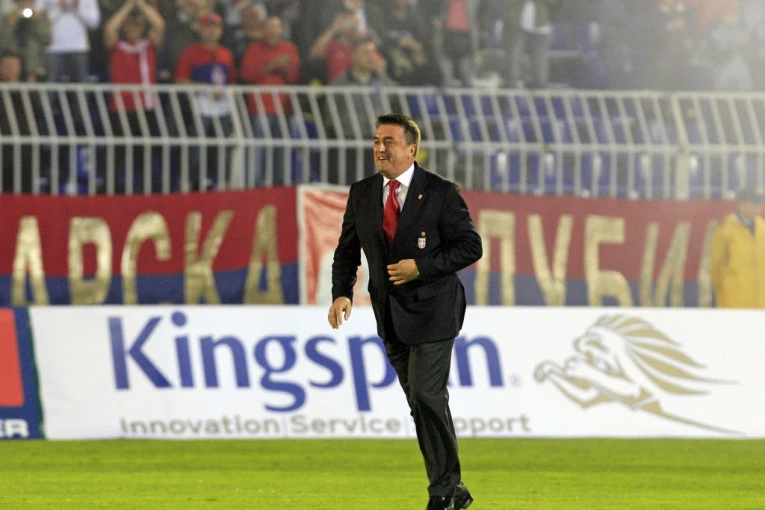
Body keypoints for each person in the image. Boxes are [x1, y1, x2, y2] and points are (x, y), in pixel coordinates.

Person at [328, 113, 481, 510]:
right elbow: (347, 250)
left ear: (412, 150)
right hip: (390, 313)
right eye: (377, 141)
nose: (380, 149)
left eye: (389, 142)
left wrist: (421, 267)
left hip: (435, 310)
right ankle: (455, 489)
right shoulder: (362, 193)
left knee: (427, 395)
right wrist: (342, 293)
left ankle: (442, 492)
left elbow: (471, 246)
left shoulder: (441, 192)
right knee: (421, 403)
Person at [104, 0, 164, 193]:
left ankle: (148, 189)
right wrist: (129, 5)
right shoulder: (118, 46)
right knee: (118, 152)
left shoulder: (148, 45)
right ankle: (113, 189)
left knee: (146, 151)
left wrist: (141, 5)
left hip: (146, 106)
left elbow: (159, 25)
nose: (134, 28)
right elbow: (109, 29)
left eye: (137, 24)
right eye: (130, 24)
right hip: (121, 107)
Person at [175, 11, 236, 190]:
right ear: (201, 30)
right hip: (200, 108)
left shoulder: (226, 54)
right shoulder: (190, 53)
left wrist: (222, 92)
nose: (211, 32)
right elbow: (180, 81)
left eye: (215, 28)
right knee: (198, 148)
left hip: (223, 109)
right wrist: (204, 88)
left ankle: (220, 183)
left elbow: (232, 82)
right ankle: (194, 184)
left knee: (222, 147)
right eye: (208, 28)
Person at [240, 15, 300, 186]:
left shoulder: (289, 48)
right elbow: (246, 74)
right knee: (259, 149)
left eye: (276, 26)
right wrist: (270, 66)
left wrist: (286, 68)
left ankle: (280, 186)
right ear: (263, 30)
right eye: (269, 26)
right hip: (260, 107)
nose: (273, 30)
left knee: (283, 149)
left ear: (281, 30)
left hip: (284, 108)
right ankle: (255, 186)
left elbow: (294, 76)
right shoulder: (253, 49)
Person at [710, 188, 765, 308]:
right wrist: (725, 293)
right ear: (741, 205)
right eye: (753, 204)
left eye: (760, 204)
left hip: (761, 305)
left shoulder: (763, 230)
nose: (758, 208)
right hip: (735, 303)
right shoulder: (725, 231)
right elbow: (716, 268)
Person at [34, 0, 100, 82]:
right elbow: (37, 19)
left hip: (79, 48)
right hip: (52, 48)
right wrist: (59, 8)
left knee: (81, 87)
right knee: (50, 86)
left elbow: (94, 23)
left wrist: (78, 8)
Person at [0, 0, 51, 82]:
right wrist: (10, 24)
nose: (24, 5)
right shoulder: (8, 17)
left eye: (27, 2)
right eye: (21, 2)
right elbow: (3, 42)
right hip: (13, 60)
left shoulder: (40, 17)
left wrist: (37, 21)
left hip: (34, 62)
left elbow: (46, 39)